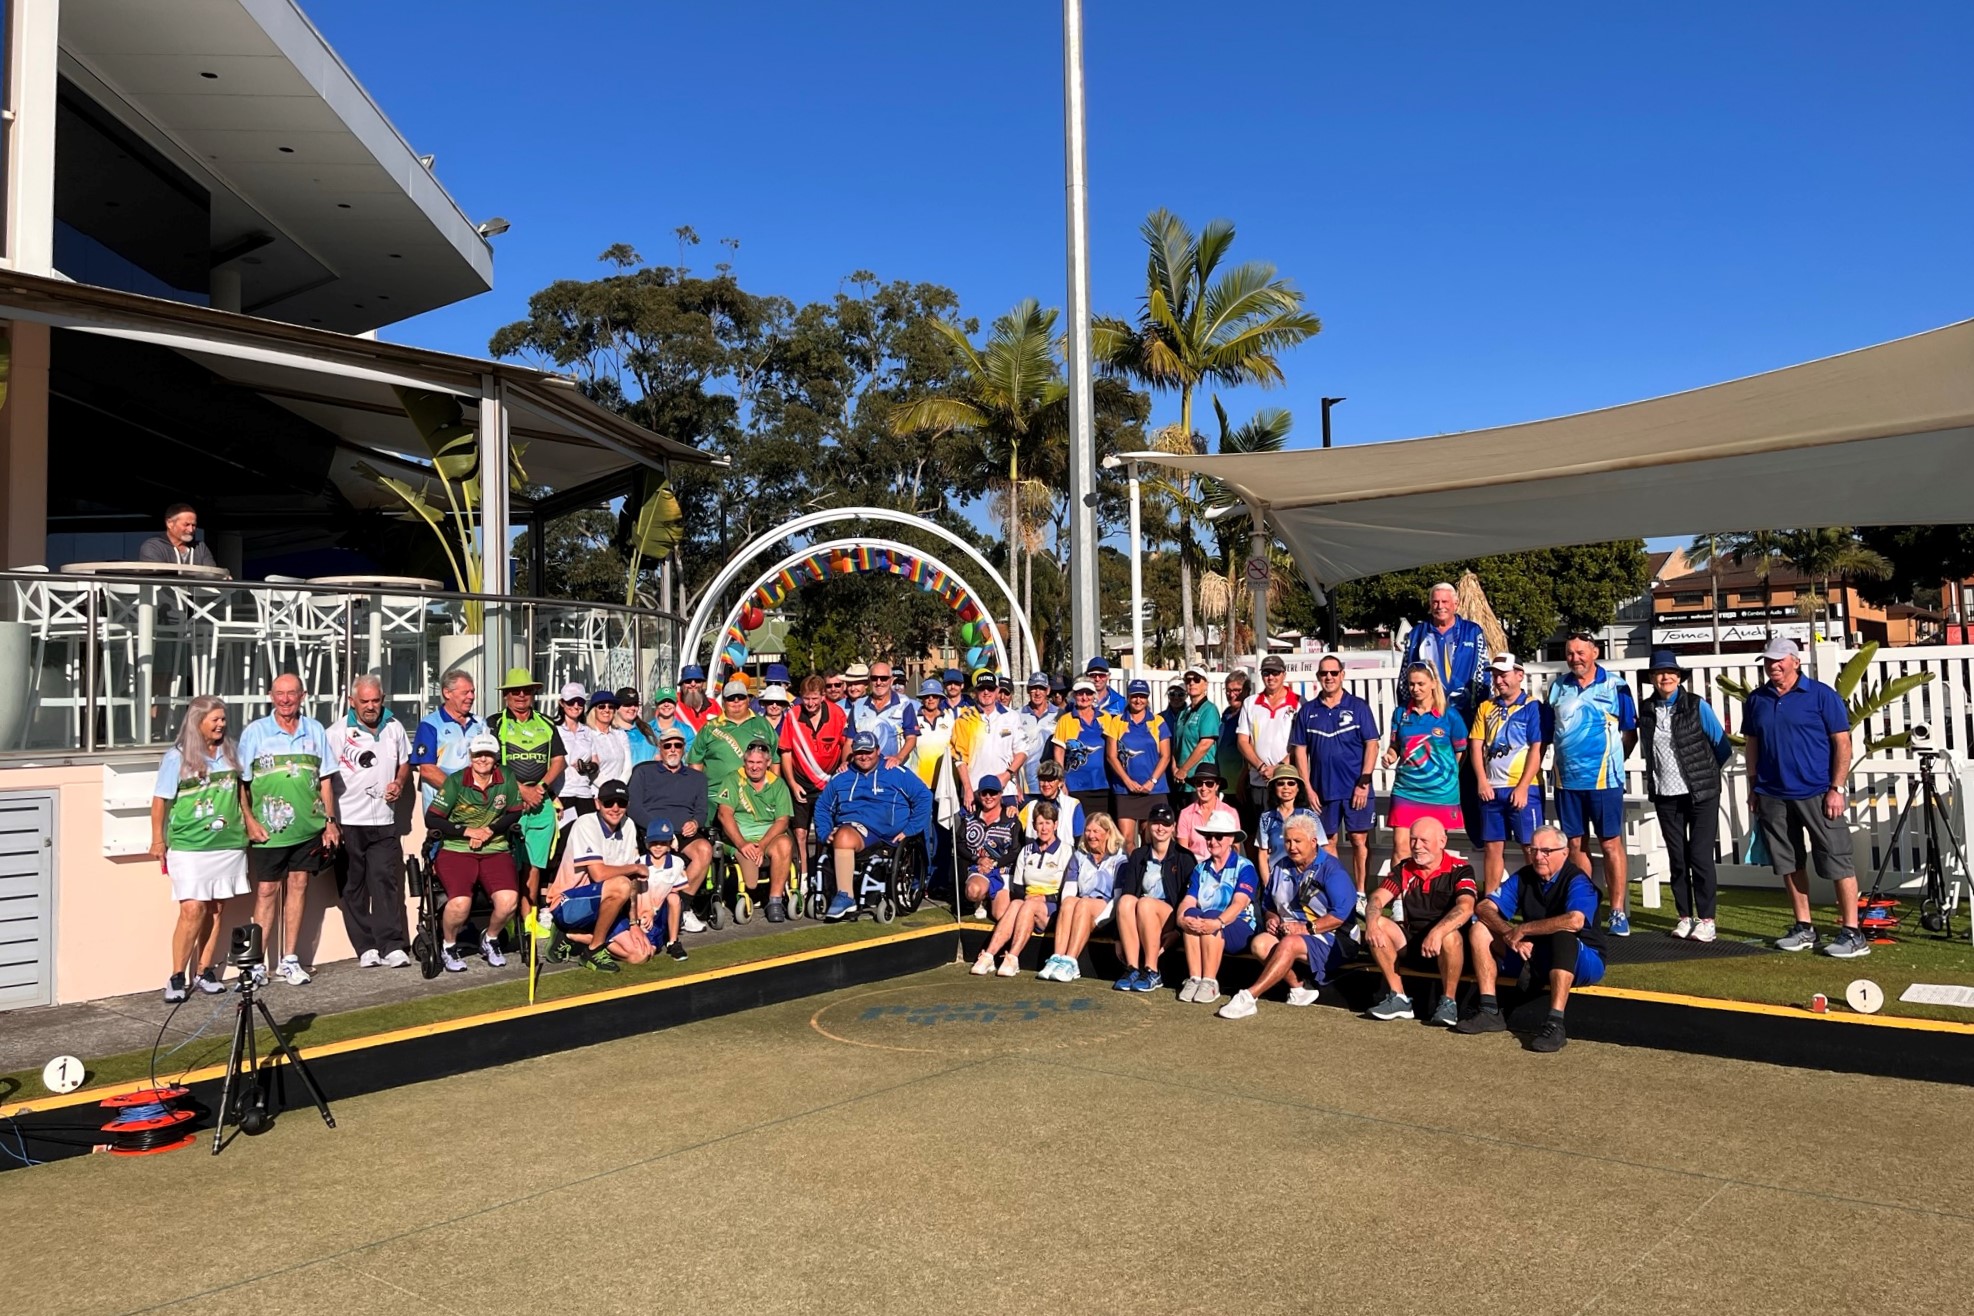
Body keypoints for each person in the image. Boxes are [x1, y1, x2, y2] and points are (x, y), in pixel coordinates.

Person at [1744, 636, 1867, 958]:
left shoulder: (1822, 696)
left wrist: (1836, 789)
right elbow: (1753, 744)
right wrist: (1753, 786)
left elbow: (1843, 743)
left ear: (1795, 661)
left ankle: (1853, 933)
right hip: (1772, 793)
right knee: (1789, 862)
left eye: (1779, 660)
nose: (1773, 666)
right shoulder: (1757, 699)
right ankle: (1804, 927)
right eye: (1768, 661)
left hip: (1817, 792)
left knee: (1837, 859)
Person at [1458, 824, 1607, 1052]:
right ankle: (1489, 1010)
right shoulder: (1524, 877)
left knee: (1563, 934)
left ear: (1564, 853)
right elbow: (1485, 907)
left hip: (1584, 959)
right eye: (1533, 850)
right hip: (1534, 953)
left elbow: (1575, 921)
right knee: (1479, 929)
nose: (1538, 856)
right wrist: (1509, 932)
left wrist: (1525, 929)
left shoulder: (1578, 881)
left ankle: (1555, 1024)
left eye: (1546, 851)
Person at [238, 672, 337, 985]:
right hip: (269, 830)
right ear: (270, 695)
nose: (285, 700)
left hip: (308, 828)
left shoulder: (315, 730)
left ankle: (289, 959)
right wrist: (250, 821)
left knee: (298, 886)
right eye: (279, 693)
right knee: (267, 890)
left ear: (302, 695)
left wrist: (330, 822)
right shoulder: (255, 732)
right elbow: (241, 784)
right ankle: (255, 964)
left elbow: (325, 779)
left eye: (291, 694)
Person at [151, 696, 250, 1001]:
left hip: (228, 843)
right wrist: (158, 839)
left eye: (223, 719)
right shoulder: (176, 757)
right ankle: (177, 975)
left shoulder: (231, 752)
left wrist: (250, 822)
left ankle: (204, 971)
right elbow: (160, 801)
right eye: (215, 720)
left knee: (217, 908)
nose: (221, 725)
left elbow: (241, 793)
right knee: (192, 908)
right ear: (197, 722)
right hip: (189, 845)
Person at [1217, 815, 1358, 1020]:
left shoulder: (1331, 869)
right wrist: (1272, 918)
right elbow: (1268, 905)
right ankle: (1298, 988)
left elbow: (1340, 915)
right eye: (1288, 841)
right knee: (1260, 943)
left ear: (1313, 841)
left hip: (1337, 938)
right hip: (1293, 935)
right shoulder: (1281, 866)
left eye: (1297, 841)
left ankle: (1249, 997)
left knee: (1290, 943)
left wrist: (1305, 928)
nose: (1291, 847)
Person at [1545, 633, 1638, 934]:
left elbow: (1630, 732)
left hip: (1604, 782)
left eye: (1581, 652)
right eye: (1570, 653)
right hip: (1567, 781)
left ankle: (1618, 911)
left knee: (1610, 843)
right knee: (1575, 844)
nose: (1575, 658)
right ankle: (1585, 908)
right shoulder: (1558, 687)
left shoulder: (1617, 685)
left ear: (1595, 652)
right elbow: (1548, 733)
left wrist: (1613, 762)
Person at [1639, 648, 1732, 942]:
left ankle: (1707, 920)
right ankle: (1684, 917)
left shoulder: (1696, 705)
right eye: (1659, 673)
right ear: (1652, 677)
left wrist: (1703, 775)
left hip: (1701, 793)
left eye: (1671, 673)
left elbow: (1721, 745)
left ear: (1679, 677)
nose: (1665, 677)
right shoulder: (1646, 709)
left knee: (1700, 857)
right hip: (1666, 793)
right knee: (1677, 858)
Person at [325, 674, 412, 969]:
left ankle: (392, 945)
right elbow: (323, 778)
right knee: (352, 887)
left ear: (383, 699)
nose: (371, 706)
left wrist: (399, 783)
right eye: (365, 701)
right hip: (348, 820)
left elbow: (404, 762)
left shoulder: (394, 727)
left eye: (376, 700)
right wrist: (330, 821)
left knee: (386, 882)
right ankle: (365, 946)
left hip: (385, 820)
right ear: (352, 702)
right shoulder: (336, 733)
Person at [1363, 817, 1477, 1027]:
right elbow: (1377, 898)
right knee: (1377, 923)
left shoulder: (1460, 869)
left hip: (1450, 949)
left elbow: (1466, 907)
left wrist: (1437, 932)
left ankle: (1448, 1002)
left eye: (1424, 840)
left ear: (1442, 841)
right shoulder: (1404, 868)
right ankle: (1398, 997)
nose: (1416, 846)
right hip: (1413, 943)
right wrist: (1370, 923)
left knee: (1450, 935)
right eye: (1413, 839)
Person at [425, 733, 524, 972]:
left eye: (488, 755)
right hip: (457, 849)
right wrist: (467, 831)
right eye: (478, 754)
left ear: (495, 757)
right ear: (471, 757)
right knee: (459, 903)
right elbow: (432, 818)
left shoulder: (507, 777)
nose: (483, 759)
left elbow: (514, 812)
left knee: (509, 901)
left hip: (495, 847)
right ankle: (448, 945)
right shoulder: (456, 781)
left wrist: (489, 830)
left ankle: (490, 939)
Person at [813, 731, 933, 921]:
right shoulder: (841, 776)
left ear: (878, 750)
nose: (864, 756)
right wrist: (824, 831)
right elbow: (822, 806)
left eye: (868, 751)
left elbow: (924, 797)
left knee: (843, 836)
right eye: (859, 752)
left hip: (888, 833)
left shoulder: (895, 772)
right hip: (853, 829)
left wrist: (910, 830)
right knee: (842, 835)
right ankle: (846, 896)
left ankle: (846, 896)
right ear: (852, 753)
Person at [1289, 654, 1380, 897]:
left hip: (1356, 789)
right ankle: (1340, 892)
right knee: (1327, 843)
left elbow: (1372, 744)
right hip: (1323, 790)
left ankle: (1360, 893)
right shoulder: (1308, 711)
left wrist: (1364, 782)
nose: (1328, 677)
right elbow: (1300, 751)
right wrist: (1307, 787)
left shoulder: (1358, 707)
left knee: (1359, 841)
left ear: (1342, 675)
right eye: (1323, 673)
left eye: (1333, 673)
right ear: (1318, 677)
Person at [484, 667, 566, 925]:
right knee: (506, 864)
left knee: (534, 865)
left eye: (526, 691)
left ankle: (528, 922)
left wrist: (540, 788)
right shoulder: (494, 723)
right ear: (506, 695)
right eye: (515, 691)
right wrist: (521, 789)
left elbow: (559, 761)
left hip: (540, 801)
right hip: (506, 800)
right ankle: (505, 922)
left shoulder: (547, 723)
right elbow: (489, 763)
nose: (521, 696)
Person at [972, 797, 1078, 977]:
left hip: (1052, 911)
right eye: (1039, 823)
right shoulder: (1026, 851)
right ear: (1034, 826)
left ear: (1056, 825)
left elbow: (1068, 892)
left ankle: (1012, 958)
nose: (1044, 828)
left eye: (1047, 823)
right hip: (1028, 904)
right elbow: (1018, 889)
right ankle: (989, 955)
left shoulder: (1067, 851)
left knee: (1027, 905)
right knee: (1015, 904)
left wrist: (1044, 898)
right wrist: (1030, 898)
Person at [1383, 662, 1469, 882]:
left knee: (1432, 849)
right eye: (1411, 684)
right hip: (1406, 790)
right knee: (1401, 846)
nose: (1416, 689)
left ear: (1432, 684)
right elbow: (1396, 747)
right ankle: (1400, 899)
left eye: (1421, 683)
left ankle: (1430, 896)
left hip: (1440, 793)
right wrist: (1390, 756)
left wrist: (1444, 775)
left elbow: (1460, 751)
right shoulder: (1401, 713)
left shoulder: (1449, 715)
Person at [1469, 653, 1548, 893]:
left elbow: (1538, 747)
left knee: (1531, 847)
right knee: (1492, 847)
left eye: (1503, 675)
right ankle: (1490, 902)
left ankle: (1537, 900)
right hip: (1492, 788)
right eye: (1495, 675)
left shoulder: (1533, 706)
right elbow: (1476, 744)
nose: (1498, 680)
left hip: (1524, 788)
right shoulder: (1486, 706)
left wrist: (1523, 786)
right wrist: (1482, 781)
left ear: (1519, 675)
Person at [546, 780, 643, 973]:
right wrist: (635, 867)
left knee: (639, 954)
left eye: (621, 803)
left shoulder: (629, 825)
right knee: (621, 884)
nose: (615, 808)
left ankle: (573, 936)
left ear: (628, 805)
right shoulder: (586, 823)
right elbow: (599, 874)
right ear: (597, 803)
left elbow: (633, 878)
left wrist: (634, 923)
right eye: (609, 803)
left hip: (606, 902)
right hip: (568, 902)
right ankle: (593, 949)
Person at [626, 727, 715, 933]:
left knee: (704, 850)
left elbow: (702, 811)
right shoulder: (643, 772)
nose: (673, 750)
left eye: (677, 745)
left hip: (683, 833)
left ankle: (681, 907)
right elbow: (634, 807)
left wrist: (695, 822)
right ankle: (652, 908)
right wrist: (661, 831)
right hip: (651, 832)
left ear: (684, 749)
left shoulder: (697, 778)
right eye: (668, 745)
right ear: (661, 748)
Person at [1174, 814, 1259, 1006]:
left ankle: (1210, 982)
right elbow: (1189, 900)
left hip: (1239, 925)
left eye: (1218, 836)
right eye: (1209, 836)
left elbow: (1239, 904)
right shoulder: (1201, 868)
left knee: (1211, 914)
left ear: (1231, 839)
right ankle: (1195, 978)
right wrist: (1181, 918)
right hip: (1209, 922)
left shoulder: (1245, 867)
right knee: (1191, 915)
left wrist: (1218, 922)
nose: (1212, 841)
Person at [1112, 802, 1195, 992]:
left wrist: (1179, 931)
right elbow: (1128, 892)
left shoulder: (1185, 857)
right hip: (1144, 910)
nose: (1160, 828)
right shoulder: (1138, 855)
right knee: (1126, 901)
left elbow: (1189, 899)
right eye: (1156, 823)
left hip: (1171, 914)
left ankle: (1152, 970)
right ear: (1148, 825)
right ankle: (1132, 968)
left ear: (1173, 827)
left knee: (1145, 903)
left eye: (1165, 824)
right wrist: (1117, 937)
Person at [715, 742, 796, 921]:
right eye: (750, 762)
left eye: (759, 762)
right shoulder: (733, 779)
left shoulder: (778, 784)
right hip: (739, 839)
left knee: (785, 843)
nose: (754, 767)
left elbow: (782, 821)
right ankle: (745, 895)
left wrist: (762, 845)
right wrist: (742, 844)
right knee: (751, 882)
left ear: (768, 763)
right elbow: (724, 814)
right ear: (745, 762)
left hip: (767, 839)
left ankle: (775, 900)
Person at [1042, 812, 1125, 982]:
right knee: (1070, 901)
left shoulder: (1120, 859)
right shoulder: (1079, 856)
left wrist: (1098, 920)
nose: (1091, 836)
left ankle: (1071, 961)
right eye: (1088, 831)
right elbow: (1069, 891)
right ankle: (1057, 957)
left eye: (1096, 831)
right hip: (1081, 909)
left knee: (1084, 903)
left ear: (1108, 833)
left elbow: (1118, 899)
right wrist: (1071, 908)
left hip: (1107, 912)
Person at [781, 674, 849, 880]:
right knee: (800, 834)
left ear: (822, 697)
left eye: (814, 698)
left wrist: (845, 762)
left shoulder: (837, 714)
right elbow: (786, 751)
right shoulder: (792, 716)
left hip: (827, 783)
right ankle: (803, 875)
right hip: (800, 782)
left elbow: (846, 742)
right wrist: (792, 783)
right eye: (806, 698)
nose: (810, 703)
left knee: (824, 832)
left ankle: (819, 875)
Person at [1402, 581, 1489, 722]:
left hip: (1464, 712)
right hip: (1427, 713)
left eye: (1444, 601)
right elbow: (1405, 674)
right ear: (1430, 605)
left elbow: (1483, 673)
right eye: (1435, 602)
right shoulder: (1417, 633)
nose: (1440, 606)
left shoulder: (1472, 632)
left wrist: (1480, 707)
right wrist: (1406, 710)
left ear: (1456, 604)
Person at [1237, 655, 1301, 836]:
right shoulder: (1250, 703)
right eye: (1266, 673)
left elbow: (1300, 743)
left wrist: (1279, 768)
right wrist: (1261, 766)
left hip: (1286, 780)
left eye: (1275, 673)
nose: (1271, 677)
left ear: (1284, 675)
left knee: (1288, 834)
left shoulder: (1298, 702)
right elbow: (1242, 741)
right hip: (1258, 780)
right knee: (1261, 836)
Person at [1104, 678, 1170, 851]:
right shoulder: (1117, 722)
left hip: (1154, 790)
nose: (1138, 700)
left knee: (1150, 837)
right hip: (1125, 790)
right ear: (1128, 697)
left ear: (1147, 698)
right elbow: (1111, 756)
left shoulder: (1158, 722)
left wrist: (1151, 782)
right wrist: (1127, 781)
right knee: (1126, 840)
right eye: (1134, 696)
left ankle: (1149, 874)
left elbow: (1165, 756)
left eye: (1142, 696)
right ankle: (1131, 875)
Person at [689, 677, 775, 800]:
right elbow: (695, 762)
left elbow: (775, 760)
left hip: (754, 795)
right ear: (724, 701)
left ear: (748, 699)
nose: (736, 701)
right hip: (715, 795)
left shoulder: (763, 724)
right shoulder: (710, 727)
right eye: (731, 698)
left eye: (740, 697)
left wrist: (773, 791)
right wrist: (698, 792)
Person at [411, 668, 483, 806]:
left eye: (472, 691)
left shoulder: (480, 723)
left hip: (477, 807)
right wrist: (462, 795)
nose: (471, 697)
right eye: (465, 692)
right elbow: (427, 770)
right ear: (447, 693)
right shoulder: (430, 724)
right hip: (443, 809)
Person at [1053, 676, 1117, 827]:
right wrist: (1061, 782)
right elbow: (1059, 753)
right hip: (1075, 785)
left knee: (1101, 830)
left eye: (1088, 693)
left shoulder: (1106, 718)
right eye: (1080, 693)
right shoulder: (1066, 720)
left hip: (1103, 784)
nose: (1084, 697)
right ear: (1074, 695)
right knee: (1080, 830)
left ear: (1094, 695)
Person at [954, 670, 1023, 810]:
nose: (986, 692)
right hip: (975, 791)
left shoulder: (1012, 716)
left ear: (997, 691)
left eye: (990, 688)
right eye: (981, 688)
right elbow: (960, 759)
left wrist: (1007, 776)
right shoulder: (964, 719)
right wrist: (967, 789)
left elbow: (1022, 752)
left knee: (1009, 832)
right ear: (975, 691)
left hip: (1006, 791)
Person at [960, 780, 1024, 921]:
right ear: (979, 794)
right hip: (979, 869)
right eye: (984, 793)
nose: (989, 797)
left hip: (1003, 871)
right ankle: (980, 901)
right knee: (973, 892)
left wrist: (994, 864)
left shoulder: (1010, 818)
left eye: (993, 792)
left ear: (1001, 794)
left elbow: (1016, 851)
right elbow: (959, 844)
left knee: (1000, 915)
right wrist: (978, 860)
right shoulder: (970, 817)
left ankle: (992, 899)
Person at [1256, 763, 1324, 886]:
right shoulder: (1266, 818)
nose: (1286, 787)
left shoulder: (1310, 816)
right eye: (1280, 783)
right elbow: (1263, 854)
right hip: (1277, 881)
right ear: (1274, 788)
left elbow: (1321, 850)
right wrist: (1268, 884)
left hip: (1306, 881)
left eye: (1291, 783)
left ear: (1298, 788)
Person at [1168, 665, 1220, 810]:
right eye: (1188, 679)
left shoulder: (1209, 710)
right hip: (1180, 780)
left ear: (1205, 684)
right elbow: (1176, 744)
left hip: (1199, 780)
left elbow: (1206, 743)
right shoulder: (1183, 712)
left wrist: (1184, 769)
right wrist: (1174, 767)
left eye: (1196, 679)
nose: (1191, 683)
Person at [852, 660, 919, 769]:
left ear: (891, 680)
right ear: (869, 681)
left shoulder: (904, 703)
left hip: (894, 769)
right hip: (865, 770)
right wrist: (846, 763)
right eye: (874, 678)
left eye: (883, 678)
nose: (879, 682)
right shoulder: (858, 705)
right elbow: (849, 740)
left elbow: (911, 738)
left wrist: (898, 758)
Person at [1217, 668, 1254, 833]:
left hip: (1242, 786)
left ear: (1246, 691)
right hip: (1227, 787)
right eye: (1229, 691)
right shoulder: (1226, 714)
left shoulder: (1248, 714)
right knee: (1230, 832)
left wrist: (1241, 781)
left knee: (1249, 833)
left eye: (1237, 690)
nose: (1232, 695)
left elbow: (1250, 749)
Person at [1175, 765, 1237, 859]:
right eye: (1199, 783)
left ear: (1217, 786)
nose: (1203, 788)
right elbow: (1183, 853)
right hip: (1194, 867)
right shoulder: (1185, 814)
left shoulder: (1230, 812)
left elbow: (1235, 849)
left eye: (1209, 784)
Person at [1020, 759, 1085, 845]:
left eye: (1050, 779)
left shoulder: (1073, 805)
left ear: (1060, 782)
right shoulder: (1030, 806)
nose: (1046, 784)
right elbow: (1016, 832)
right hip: (1035, 856)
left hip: (1065, 856)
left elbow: (1080, 839)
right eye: (1042, 779)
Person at [1015, 671, 1058, 797]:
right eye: (1034, 688)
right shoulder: (1016, 715)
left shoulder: (1061, 715)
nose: (1038, 693)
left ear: (1048, 690)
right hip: (1025, 787)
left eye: (1041, 688)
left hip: (1052, 784)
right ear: (1028, 690)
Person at [137, 502, 217, 568]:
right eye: (186, 524)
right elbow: (157, 580)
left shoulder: (200, 548)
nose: (191, 530)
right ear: (170, 523)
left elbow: (212, 576)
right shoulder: (154, 547)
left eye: (194, 525)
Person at [615, 688, 662, 767]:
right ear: (617, 707)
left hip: (649, 777)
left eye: (635, 704)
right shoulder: (612, 732)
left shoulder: (647, 729)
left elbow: (657, 756)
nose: (633, 708)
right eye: (628, 704)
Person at [648, 686, 697, 751]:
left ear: (675, 704)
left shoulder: (687, 731)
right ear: (656, 704)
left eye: (670, 701)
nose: (666, 704)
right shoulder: (646, 730)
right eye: (662, 701)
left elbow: (690, 756)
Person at [675, 665, 714, 732]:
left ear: (703, 684)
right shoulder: (672, 702)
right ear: (682, 684)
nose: (693, 684)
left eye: (697, 681)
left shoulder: (714, 705)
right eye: (688, 681)